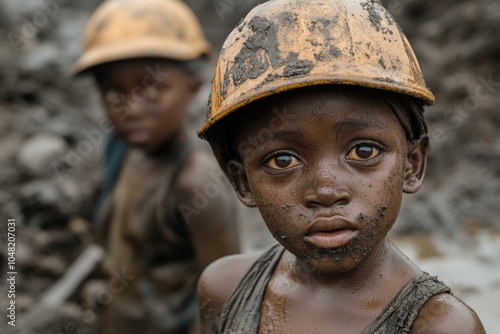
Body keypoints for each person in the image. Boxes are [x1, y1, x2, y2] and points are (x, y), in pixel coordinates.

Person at [196, 0, 486, 333]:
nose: (325, 191)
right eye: (282, 160)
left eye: (363, 151)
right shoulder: (224, 290)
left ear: (412, 164)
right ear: (242, 181)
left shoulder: (440, 327)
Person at [71, 0, 240, 333]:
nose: (130, 108)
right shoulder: (120, 148)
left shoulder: (193, 182)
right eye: (114, 94)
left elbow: (225, 296)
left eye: (152, 88)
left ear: (192, 88)